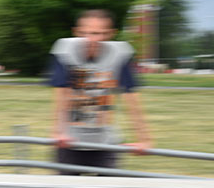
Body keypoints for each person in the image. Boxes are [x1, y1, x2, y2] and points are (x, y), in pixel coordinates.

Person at [49, 10, 152, 174]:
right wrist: (58, 132)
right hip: (70, 141)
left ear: (111, 34)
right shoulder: (64, 50)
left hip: (106, 142)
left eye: (99, 34)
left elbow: (131, 96)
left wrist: (144, 139)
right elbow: (62, 94)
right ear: (76, 32)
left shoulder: (120, 53)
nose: (92, 39)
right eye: (86, 33)